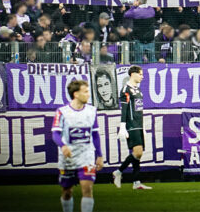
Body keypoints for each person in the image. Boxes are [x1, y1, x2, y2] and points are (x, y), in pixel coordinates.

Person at [53, 80, 104, 212]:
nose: (88, 94)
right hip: (68, 158)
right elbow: (55, 134)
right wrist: (63, 146)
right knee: (67, 191)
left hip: (86, 156)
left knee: (87, 189)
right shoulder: (62, 112)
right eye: (85, 92)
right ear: (76, 94)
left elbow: (95, 134)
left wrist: (99, 155)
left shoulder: (92, 111)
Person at [113, 65, 152, 190]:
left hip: (139, 125)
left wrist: (143, 126)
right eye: (140, 74)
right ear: (133, 74)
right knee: (138, 152)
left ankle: (136, 182)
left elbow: (139, 110)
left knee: (138, 154)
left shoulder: (138, 90)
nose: (142, 77)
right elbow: (124, 109)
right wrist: (122, 126)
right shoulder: (126, 89)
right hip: (131, 125)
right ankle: (119, 171)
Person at [124, 0, 156, 64]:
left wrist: (133, 6)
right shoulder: (151, 10)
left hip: (139, 40)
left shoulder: (136, 12)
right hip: (150, 39)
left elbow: (126, 15)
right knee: (152, 61)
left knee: (138, 61)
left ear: (139, 2)